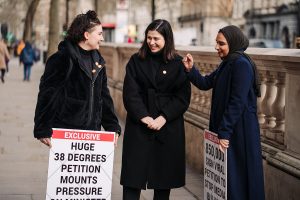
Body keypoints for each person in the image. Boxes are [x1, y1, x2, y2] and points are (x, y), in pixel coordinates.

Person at [183, 25, 265, 200]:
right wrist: (191, 70)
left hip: (239, 132)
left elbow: (237, 102)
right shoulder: (228, 63)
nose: (216, 47)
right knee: (228, 179)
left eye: (221, 43)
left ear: (233, 43)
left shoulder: (241, 65)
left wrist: (224, 132)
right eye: (216, 43)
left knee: (238, 178)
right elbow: (205, 83)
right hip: (230, 130)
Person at [121, 19, 191, 200]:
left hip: (167, 126)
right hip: (139, 124)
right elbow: (130, 92)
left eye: (156, 38)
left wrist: (163, 117)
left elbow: (182, 97)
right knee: (132, 177)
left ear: (167, 39)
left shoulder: (178, 62)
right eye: (149, 37)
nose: (151, 42)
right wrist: (143, 116)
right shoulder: (136, 60)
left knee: (163, 180)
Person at [33, 10, 121, 147]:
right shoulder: (61, 59)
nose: (102, 38)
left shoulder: (99, 62)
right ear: (86, 35)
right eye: (99, 34)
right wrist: (42, 129)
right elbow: (48, 94)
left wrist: (113, 127)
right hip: (66, 133)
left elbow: (103, 97)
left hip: (92, 133)